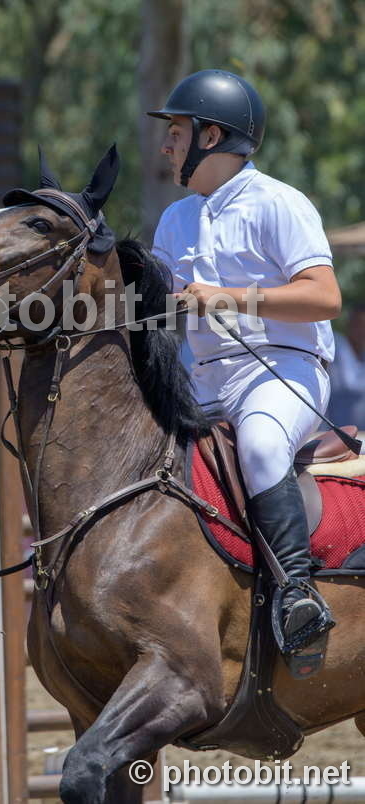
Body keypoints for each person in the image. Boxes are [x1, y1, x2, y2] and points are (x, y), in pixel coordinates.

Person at [149, 69, 340, 658]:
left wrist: (230, 298)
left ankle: (298, 596)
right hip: (202, 379)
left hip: (281, 371)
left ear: (211, 136)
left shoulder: (279, 202)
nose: (166, 145)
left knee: (259, 446)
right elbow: (154, 306)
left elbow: (324, 296)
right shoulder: (175, 219)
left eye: (176, 132)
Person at [327, 305, 365, 429]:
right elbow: (349, 385)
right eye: (359, 325)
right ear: (349, 324)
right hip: (333, 431)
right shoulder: (335, 345)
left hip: (361, 434)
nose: (362, 331)